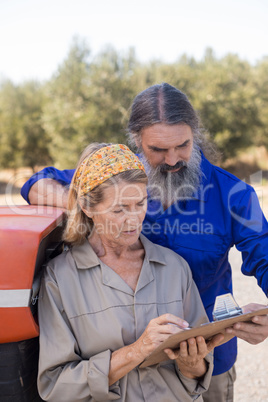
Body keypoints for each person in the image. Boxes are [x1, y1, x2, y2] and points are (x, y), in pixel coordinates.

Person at [21, 83, 268, 402]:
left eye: (182, 145)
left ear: (196, 133)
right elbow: (37, 183)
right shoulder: (122, 175)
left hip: (208, 360)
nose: (173, 159)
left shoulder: (235, 194)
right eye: (158, 150)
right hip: (119, 367)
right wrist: (85, 206)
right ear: (138, 141)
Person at [37, 142, 224, 402]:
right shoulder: (59, 279)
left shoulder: (174, 267)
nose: (134, 219)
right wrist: (137, 351)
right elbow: (55, 386)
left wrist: (192, 363)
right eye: (119, 209)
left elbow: (199, 371)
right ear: (87, 207)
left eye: (140, 203)